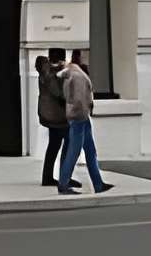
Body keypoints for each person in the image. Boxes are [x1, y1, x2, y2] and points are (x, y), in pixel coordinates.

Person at [57, 50, 112, 193]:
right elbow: (80, 99)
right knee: (74, 152)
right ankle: (63, 184)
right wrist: (84, 113)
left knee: (90, 150)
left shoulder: (69, 73)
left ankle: (98, 183)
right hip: (80, 117)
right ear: (80, 57)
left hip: (78, 117)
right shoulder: (78, 76)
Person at [38, 50, 72, 188]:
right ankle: (63, 177)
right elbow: (59, 93)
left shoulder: (45, 72)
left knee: (54, 146)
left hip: (52, 116)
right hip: (58, 116)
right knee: (67, 145)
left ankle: (48, 177)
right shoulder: (51, 74)